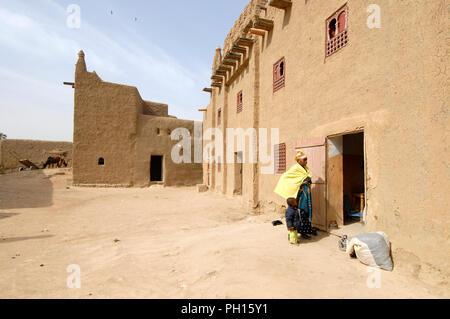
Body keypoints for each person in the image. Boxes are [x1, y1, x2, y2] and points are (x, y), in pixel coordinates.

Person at [274, 150, 316, 240]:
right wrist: (302, 182)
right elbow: (285, 177)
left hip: (306, 194)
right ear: (298, 161)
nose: (306, 161)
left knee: (306, 212)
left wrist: (307, 180)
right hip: (299, 195)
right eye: (304, 160)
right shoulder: (295, 168)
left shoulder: (305, 168)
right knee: (300, 213)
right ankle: (296, 232)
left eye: (306, 159)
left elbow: (306, 177)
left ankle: (304, 232)